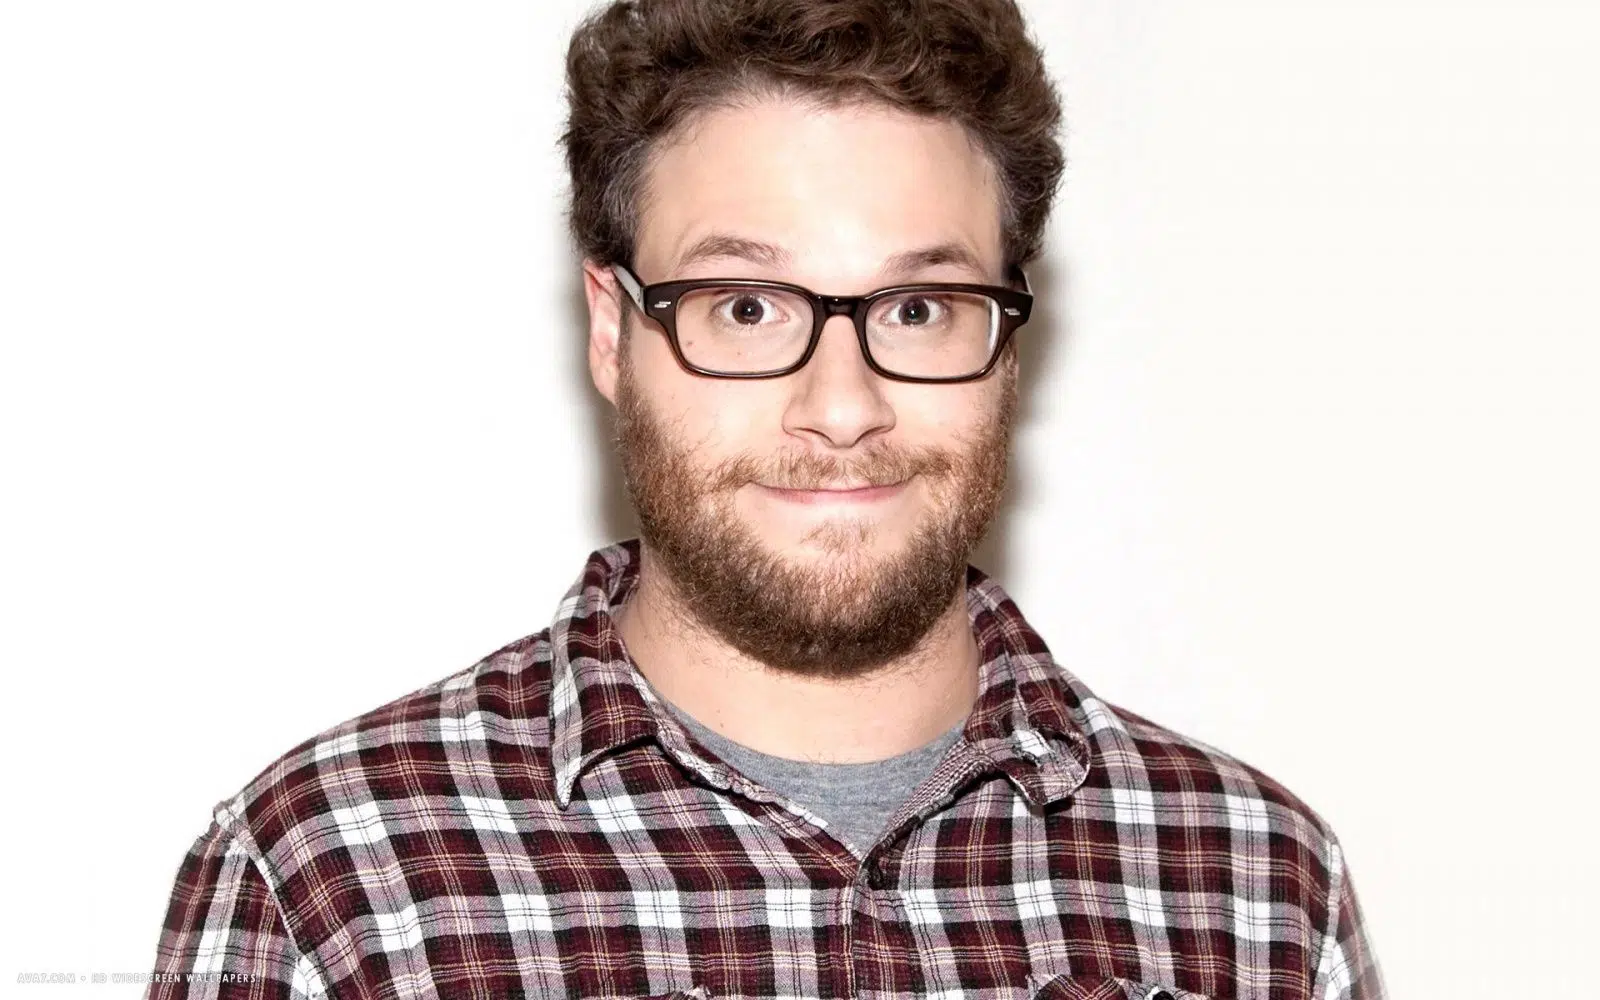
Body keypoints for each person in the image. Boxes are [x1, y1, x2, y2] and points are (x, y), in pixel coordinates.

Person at [146, 1, 1385, 998]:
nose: (840, 407)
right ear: (610, 329)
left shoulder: (1256, 887)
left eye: (918, 307)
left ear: (1010, 337)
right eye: (744, 307)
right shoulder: (329, 883)